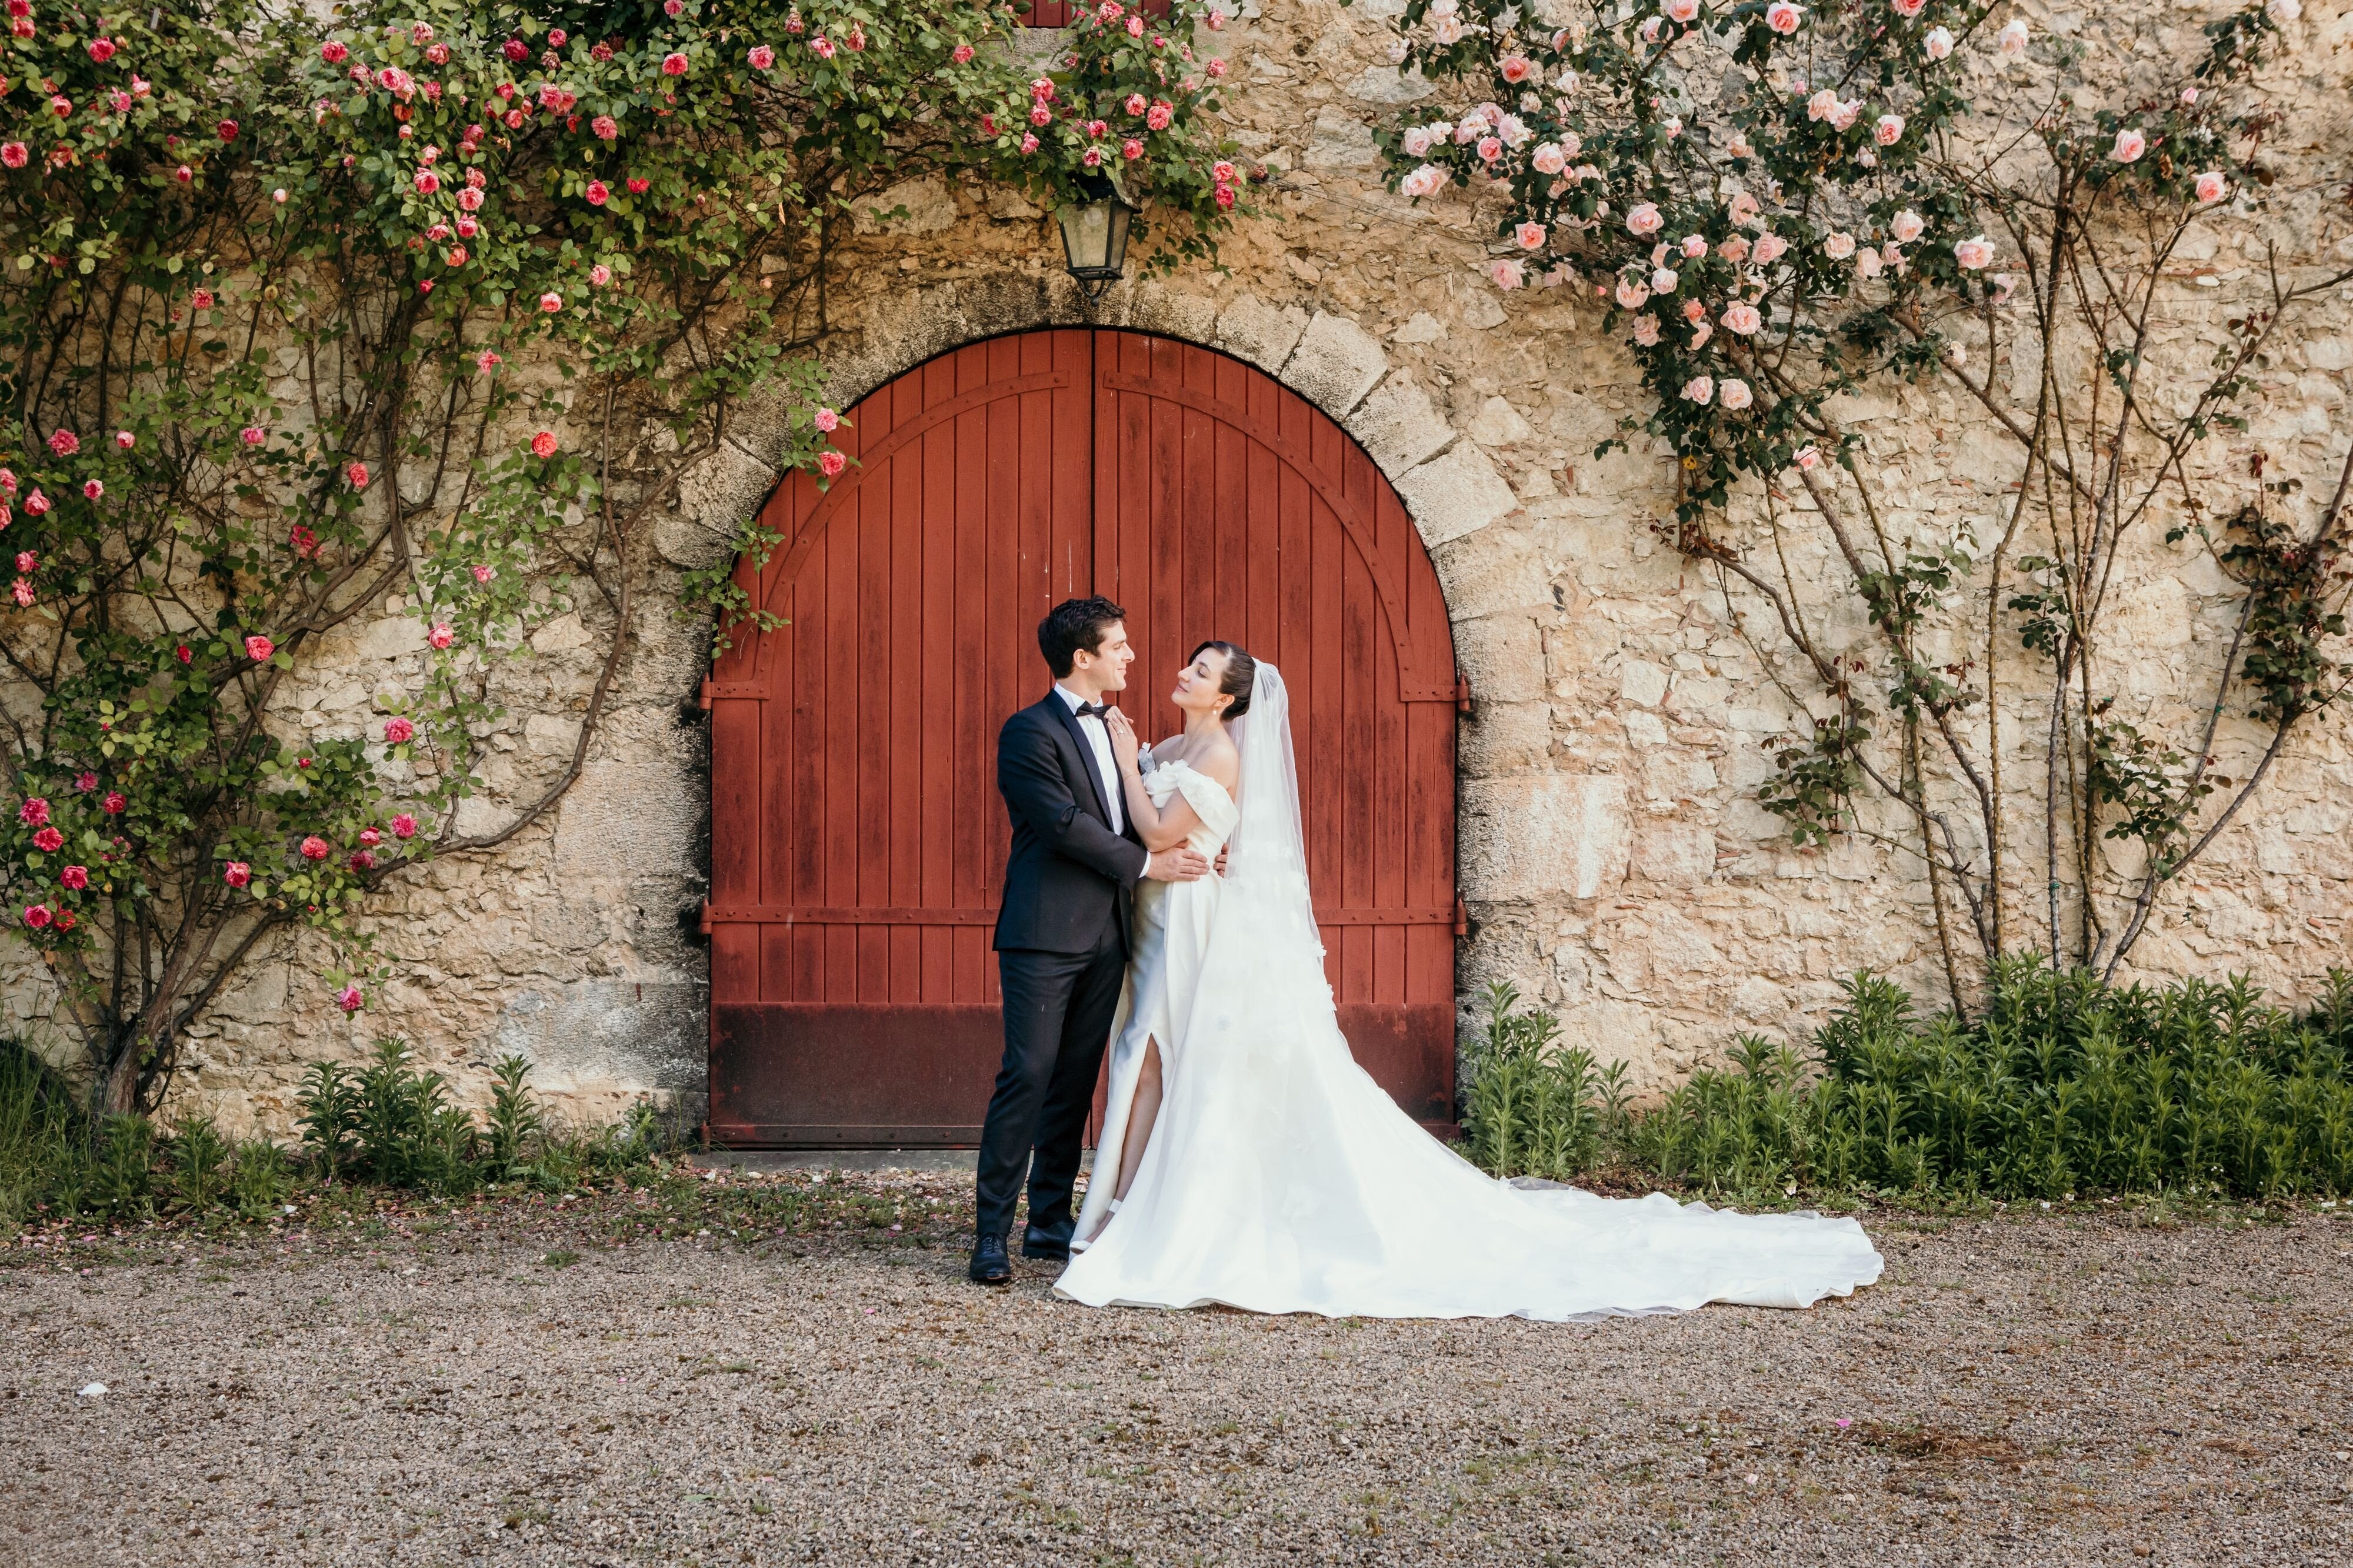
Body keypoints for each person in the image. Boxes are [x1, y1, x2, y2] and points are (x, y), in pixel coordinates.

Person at [1053, 650, 1886, 1321]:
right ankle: (1130, 1203)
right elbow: (1156, 827)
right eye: (1191, 667)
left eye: (1203, 671)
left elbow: (1161, 825)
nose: (1184, 674)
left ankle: (1147, 1209)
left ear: (1231, 700)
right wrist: (1140, 763)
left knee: (1170, 1056)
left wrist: (1129, 764)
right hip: (1161, 916)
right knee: (1153, 1055)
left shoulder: (1222, 750)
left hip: (1196, 924)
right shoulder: (1171, 747)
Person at [969, 598, 1208, 1287]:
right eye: (1120, 645)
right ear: (1084, 656)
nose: (1131, 655)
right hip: (1043, 932)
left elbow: (1140, 813)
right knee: (1028, 1074)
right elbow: (1062, 822)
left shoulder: (1121, 731)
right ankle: (991, 1233)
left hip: (1110, 930)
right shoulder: (1027, 731)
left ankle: (1048, 1220)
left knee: (1074, 1083)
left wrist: (1193, 849)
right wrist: (1146, 865)